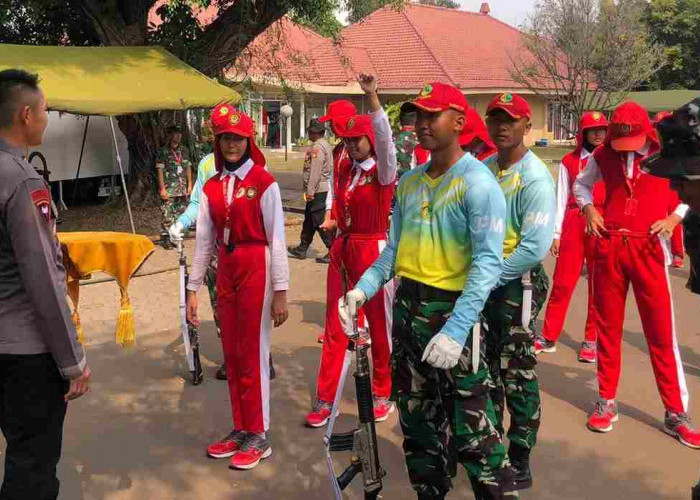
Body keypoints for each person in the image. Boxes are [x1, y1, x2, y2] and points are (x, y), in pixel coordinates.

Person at [344, 82, 515, 500]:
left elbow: (487, 264)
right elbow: (394, 253)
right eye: (417, 116)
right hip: (408, 313)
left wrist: (457, 330)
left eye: (431, 115)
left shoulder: (477, 183)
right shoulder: (410, 182)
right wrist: (363, 290)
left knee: (475, 438)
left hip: (455, 314)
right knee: (419, 432)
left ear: (459, 121)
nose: (421, 124)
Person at [574, 101, 700, 448]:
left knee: (661, 334)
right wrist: (588, 210)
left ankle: (676, 412)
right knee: (607, 329)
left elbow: (691, 189)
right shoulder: (602, 155)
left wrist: (675, 217)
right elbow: (581, 186)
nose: (625, 151)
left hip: (649, 247)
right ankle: (606, 400)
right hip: (611, 247)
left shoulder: (665, 154)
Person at [0, 68, 91, 499]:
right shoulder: (21, 181)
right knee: (32, 468)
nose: (47, 117)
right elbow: (42, 282)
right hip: (25, 354)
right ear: (24, 115)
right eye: (44, 109)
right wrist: (73, 360)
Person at [185, 104, 289, 469]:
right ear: (218, 141)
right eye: (226, 138)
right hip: (224, 268)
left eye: (238, 138)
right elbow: (202, 241)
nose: (232, 145)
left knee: (254, 352)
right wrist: (192, 289)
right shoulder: (212, 186)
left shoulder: (264, 182)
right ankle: (240, 427)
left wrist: (281, 291)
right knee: (232, 351)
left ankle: (259, 433)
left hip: (255, 266)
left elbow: (277, 239)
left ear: (249, 141)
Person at [304, 75, 398, 428]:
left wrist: (372, 96)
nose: (351, 146)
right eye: (346, 140)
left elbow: (386, 139)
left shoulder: (384, 171)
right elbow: (334, 198)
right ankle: (326, 397)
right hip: (344, 248)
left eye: (357, 139)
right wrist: (331, 220)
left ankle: (382, 390)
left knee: (378, 324)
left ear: (370, 139)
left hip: (374, 249)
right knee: (335, 324)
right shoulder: (346, 167)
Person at [482, 92, 555, 490]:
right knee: (486, 366)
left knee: (517, 369)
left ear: (527, 124)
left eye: (510, 119)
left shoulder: (535, 177)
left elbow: (534, 247)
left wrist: (489, 277)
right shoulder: (485, 168)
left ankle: (521, 452)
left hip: (517, 282)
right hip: (487, 280)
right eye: (494, 118)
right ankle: (492, 446)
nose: (501, 126)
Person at [536, 111, 607, 362]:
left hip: (602, 222)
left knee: (598, 286)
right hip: (574, 221)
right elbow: (561, 197)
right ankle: (548, 336)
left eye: (602, 129)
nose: (598, 134)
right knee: (563, 281)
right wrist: (556, 234)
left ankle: (591, 339)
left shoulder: (612, 159)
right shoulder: (569, 161)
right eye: (592, 129)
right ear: (583, 133)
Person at [288, 118, 334, 261]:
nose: (308, 133)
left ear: (314, 132)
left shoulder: (317, 148)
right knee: (309, 220)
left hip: (317, 189)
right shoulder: (324, 144)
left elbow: (315, 171)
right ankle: (302, 248)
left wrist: (309, 192)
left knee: (319, 220)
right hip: (319, 188)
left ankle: (333, 249)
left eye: (309, 131)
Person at [156, 124, 192, 248]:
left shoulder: (184, 150)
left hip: (181, 187)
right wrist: (162, 189)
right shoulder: (163, 151)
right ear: (170, 135)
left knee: (180, 213)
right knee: (167, 214)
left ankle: (176, 237)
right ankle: (166, 238)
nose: (178, 136)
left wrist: (189, 185)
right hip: (169, 188)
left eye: (180, 133)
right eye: (175, 133)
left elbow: (187, 167)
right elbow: (160, 170)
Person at [395, 105, 429, 176]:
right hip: (417, 184)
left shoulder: (391, 142)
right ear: (417, 121)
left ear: (400, 122)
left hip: (396, 185)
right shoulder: (424, 141)